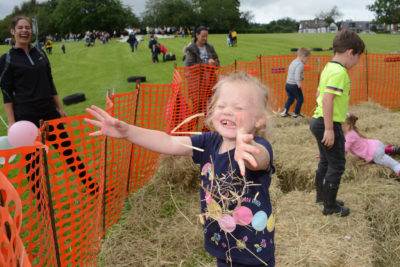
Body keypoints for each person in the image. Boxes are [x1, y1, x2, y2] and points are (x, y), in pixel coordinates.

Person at [85, 72, 275, 266]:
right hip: (224, 248)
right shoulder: (208, 142)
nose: (227, 111)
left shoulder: (258, 145)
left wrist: (248, 151)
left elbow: (260, 159)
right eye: (222, 105)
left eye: (238, 108)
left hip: (254, 253)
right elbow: (168, 141)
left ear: (259, 119)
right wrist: (128, 132)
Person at [0, 16, 95, 203]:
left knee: (69, 152)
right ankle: (42, 204)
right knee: (33, 164)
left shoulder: (40, 53)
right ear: (13, 31)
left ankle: (92, 187)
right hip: (26, 118)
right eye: (20, 28)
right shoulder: (7, 59)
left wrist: (59, 107)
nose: (24, 31)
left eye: (27, 27)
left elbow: (50, 82)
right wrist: (12, 122)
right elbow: (6, 92)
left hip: (49, 112)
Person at [309, 29, 365, 217]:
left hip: (318, 120)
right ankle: (330, 206)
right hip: (326, 123)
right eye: (358, 57)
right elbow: (326, 99)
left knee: (326, 161)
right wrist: (330, 128)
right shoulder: (340, 72)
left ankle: (323, 198)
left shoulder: (328, 67)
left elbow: (318, 94)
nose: (357, 62)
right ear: (351, 52)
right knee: (338, 164)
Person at [281, 48, 311, 118]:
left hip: (288, 84)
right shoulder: (300, 64)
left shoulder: (293, 61)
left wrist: (301, 77)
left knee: (290, 99)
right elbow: (297, 74)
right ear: (303, 56)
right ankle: (296, 114)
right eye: (307, 59)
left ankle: (284, 112)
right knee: (300, 99)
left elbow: (291, 72)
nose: (307, 61)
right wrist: (298, 82)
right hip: (294, 85)